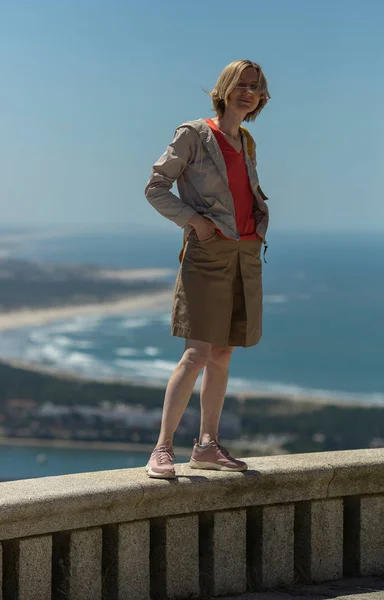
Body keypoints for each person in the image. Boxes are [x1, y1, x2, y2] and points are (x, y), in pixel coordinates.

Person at [144, 60, 270, 478]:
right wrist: (192, 220)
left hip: (245, 255)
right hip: (208, 253)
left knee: (223, 354)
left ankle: (207, 447)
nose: (248, 92)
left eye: (255, 87)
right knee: (196, 353)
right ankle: (162, 449)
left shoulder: (247, 141)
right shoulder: (194, 135)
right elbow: (155, 187)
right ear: (224, 88)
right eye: (241, 84)